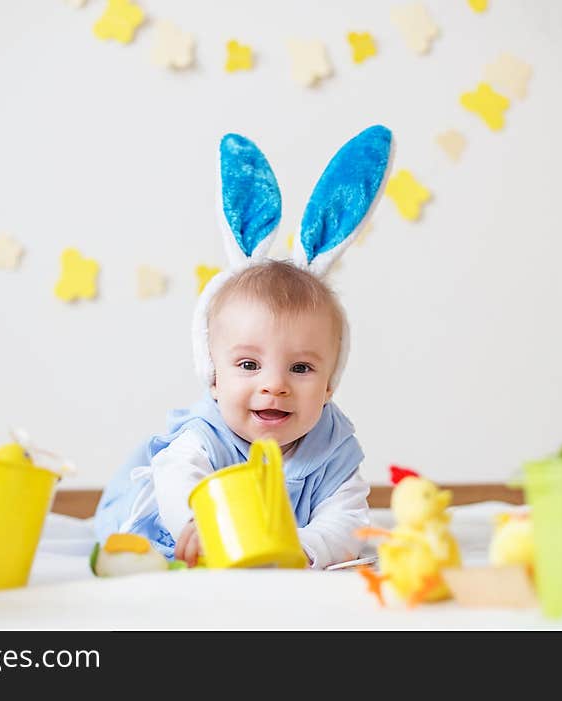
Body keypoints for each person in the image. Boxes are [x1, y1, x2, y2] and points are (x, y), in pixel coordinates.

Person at [94, 124, 395, 570]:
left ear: (330, 384)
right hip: (175, 536)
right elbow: (178, 478)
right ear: (214, 375)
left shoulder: (333, 449)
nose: (274, 385)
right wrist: (195, 524)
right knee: (144, 543)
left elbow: (347, 521)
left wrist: (303, 548)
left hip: (277, 542)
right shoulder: (206, 434)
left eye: (301, 369)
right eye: (249, 364)